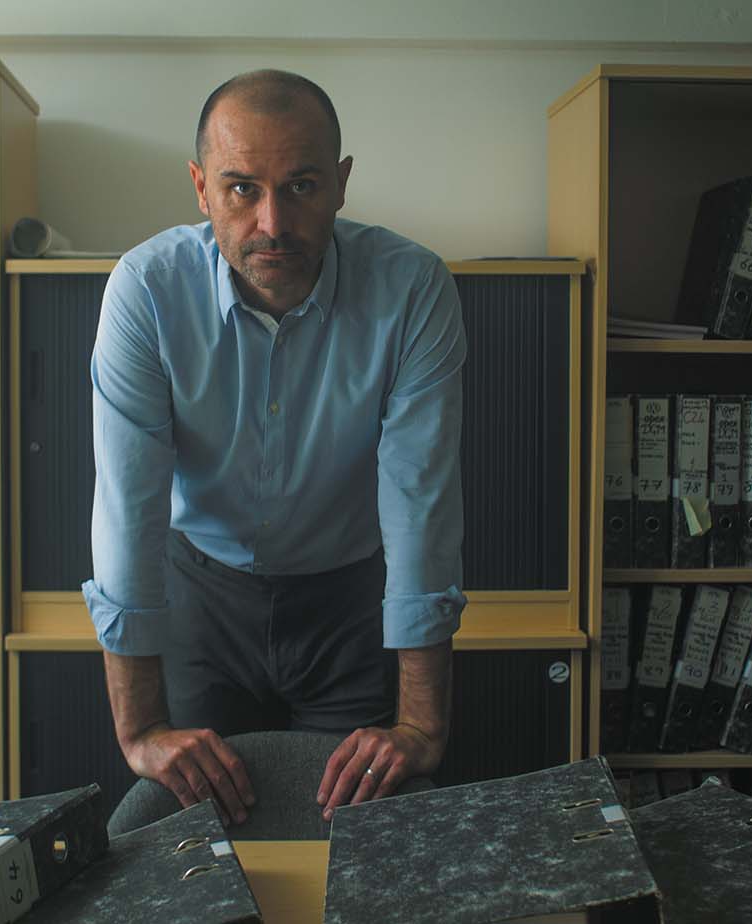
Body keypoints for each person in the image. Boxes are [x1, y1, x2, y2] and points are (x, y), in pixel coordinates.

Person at [84, 69, 468, 823]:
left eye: (299, 187)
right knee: (195, 845)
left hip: (349, 601)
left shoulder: (413, 289)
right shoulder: (145, 291)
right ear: (200, 188)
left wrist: (422, 725)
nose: (271, 224)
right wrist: (139, 731)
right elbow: (127, 510)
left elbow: (420, 502)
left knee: (354, 838)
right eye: (240, 189)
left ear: (341, 184)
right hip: (201, 596)